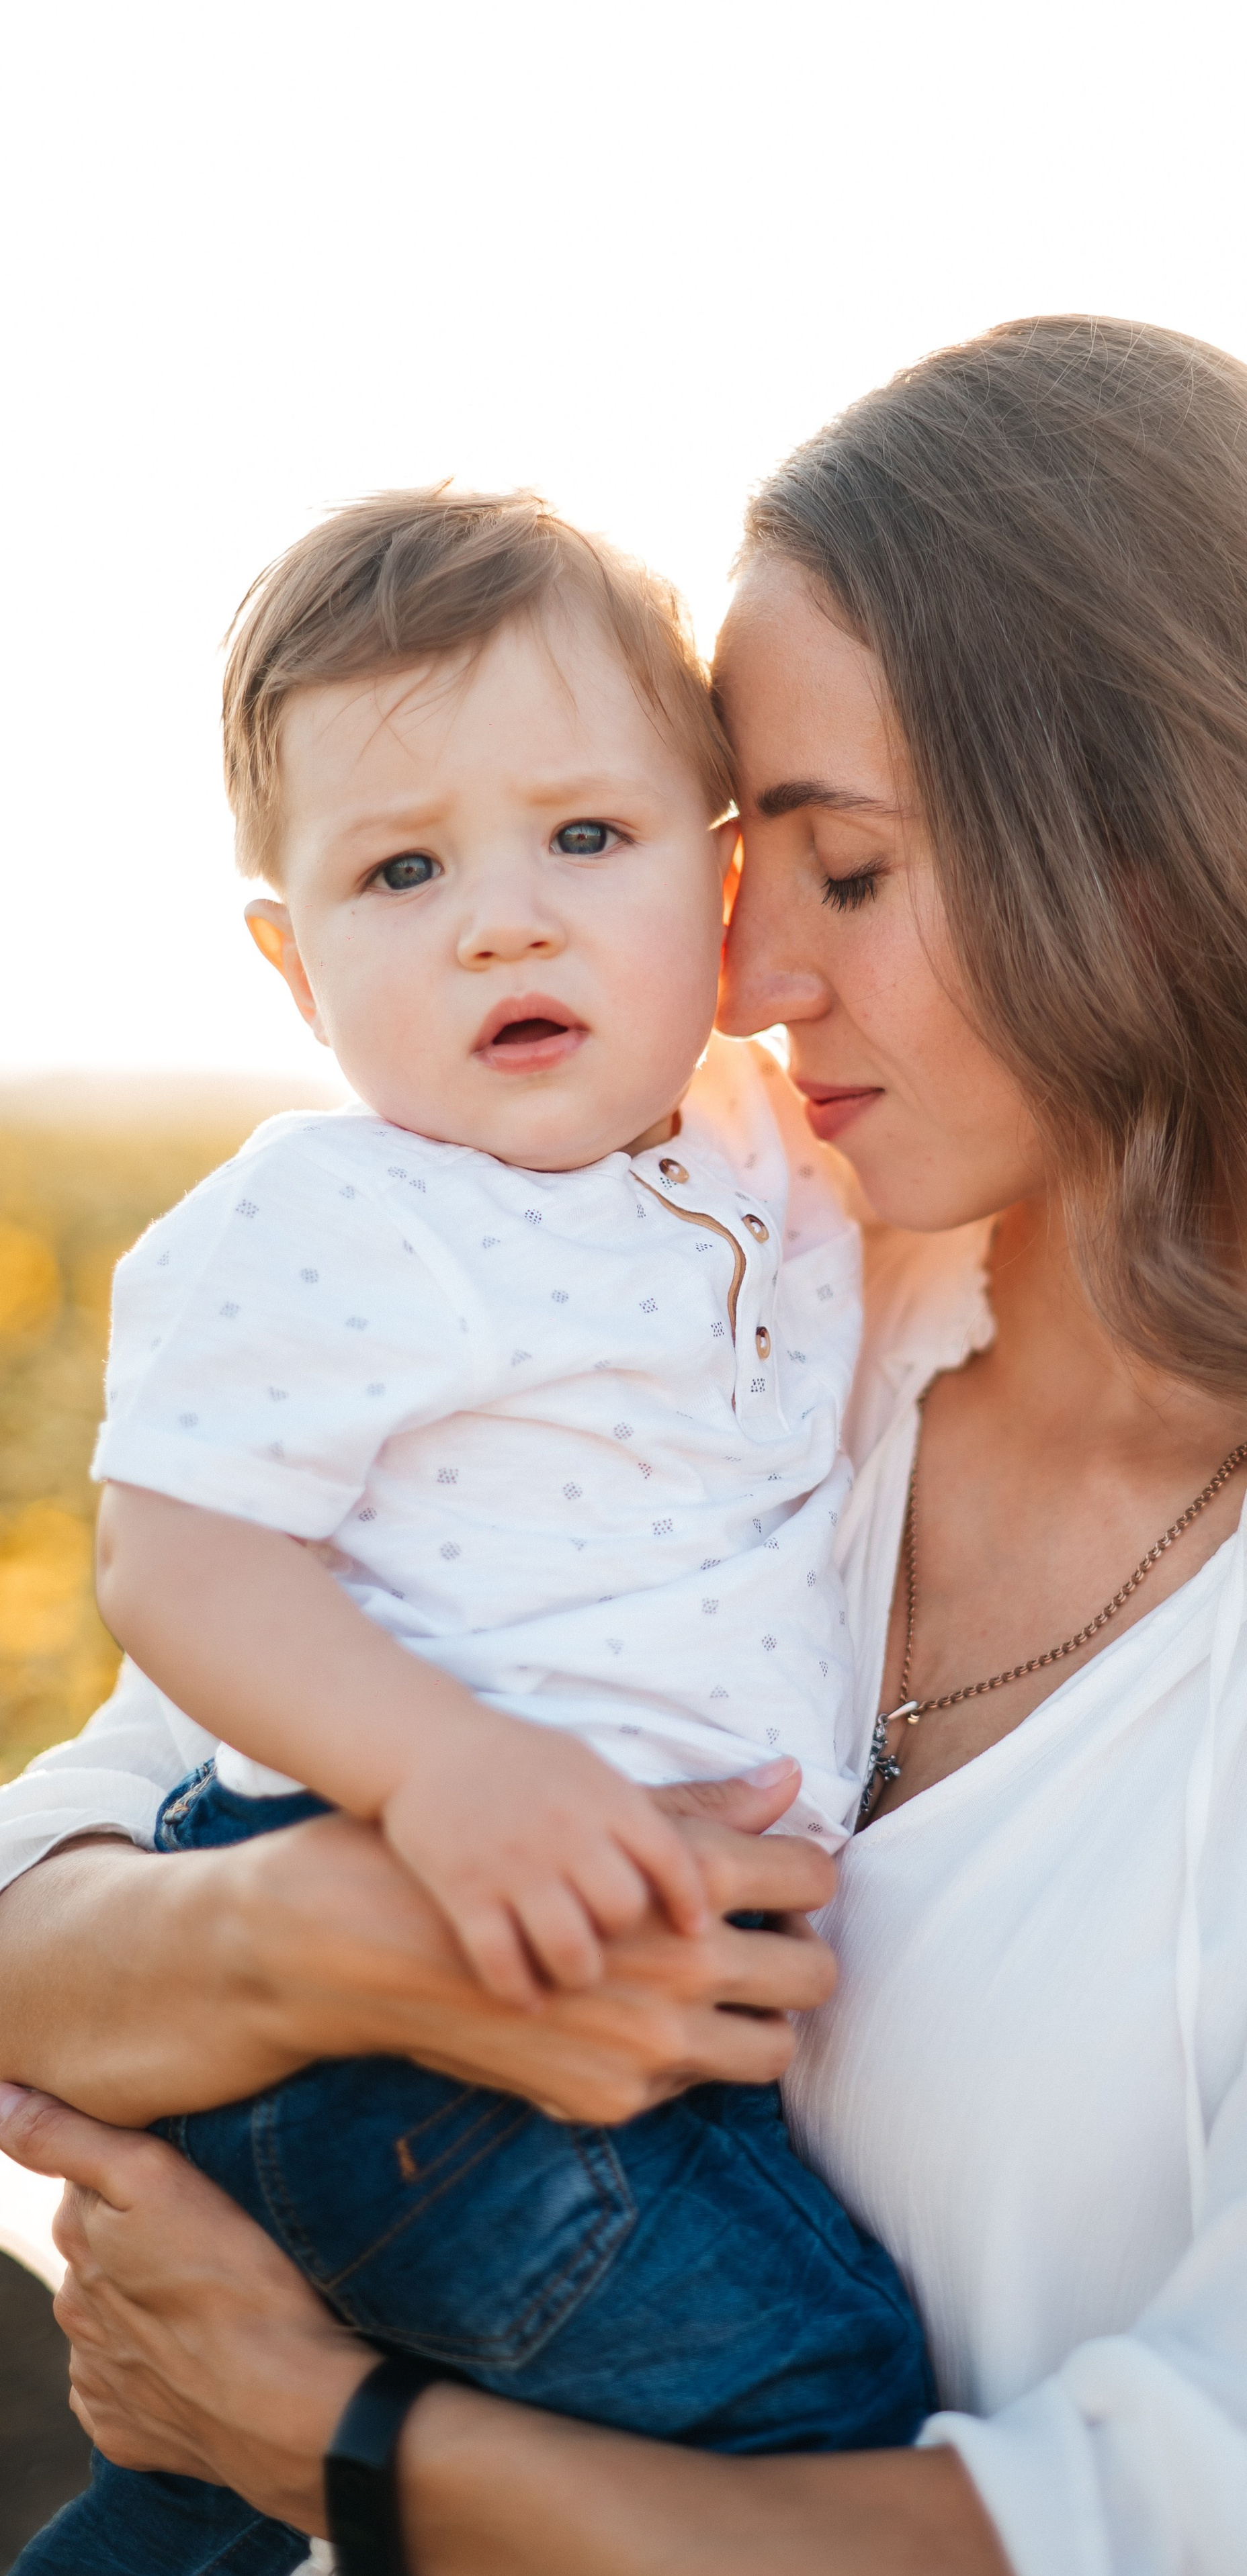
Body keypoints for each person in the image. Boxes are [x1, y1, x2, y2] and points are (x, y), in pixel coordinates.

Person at [1, 313, 1247, 2576]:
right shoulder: (756, 1276)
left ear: (1163, 858)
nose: (747, 979)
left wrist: (334, 2440)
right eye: (735, 869)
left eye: (848, 872)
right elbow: (61, 1880)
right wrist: (310, 1942)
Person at [11, 491, 933, 2573]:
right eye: (402, 869)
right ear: (293, 959)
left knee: (191, 2503)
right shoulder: (342, 1216)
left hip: (549, 1994)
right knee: (815, 2402)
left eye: (582, 841)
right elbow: (183, 1561)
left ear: (719, 888)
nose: (502, 920)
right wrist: (447, 1768)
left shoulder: (771, 1151)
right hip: (409, 1977)